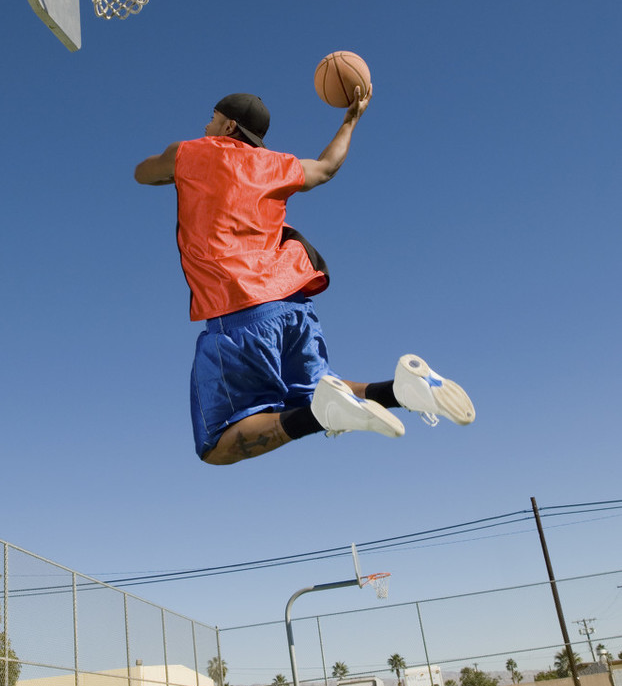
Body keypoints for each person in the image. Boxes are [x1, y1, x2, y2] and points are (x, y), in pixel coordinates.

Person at [134, 88, 474, 465]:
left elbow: (142, 173)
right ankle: (403, 391)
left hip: (238, 311)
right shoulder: (279, 164)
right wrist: (350, 119)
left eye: (212, 118)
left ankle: (319, 417)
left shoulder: (189, 152)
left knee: (217, 446)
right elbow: (327, 167)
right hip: (293, 308)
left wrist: (180, 170)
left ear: (228, 125)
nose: (205, 124)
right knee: (322, 391)